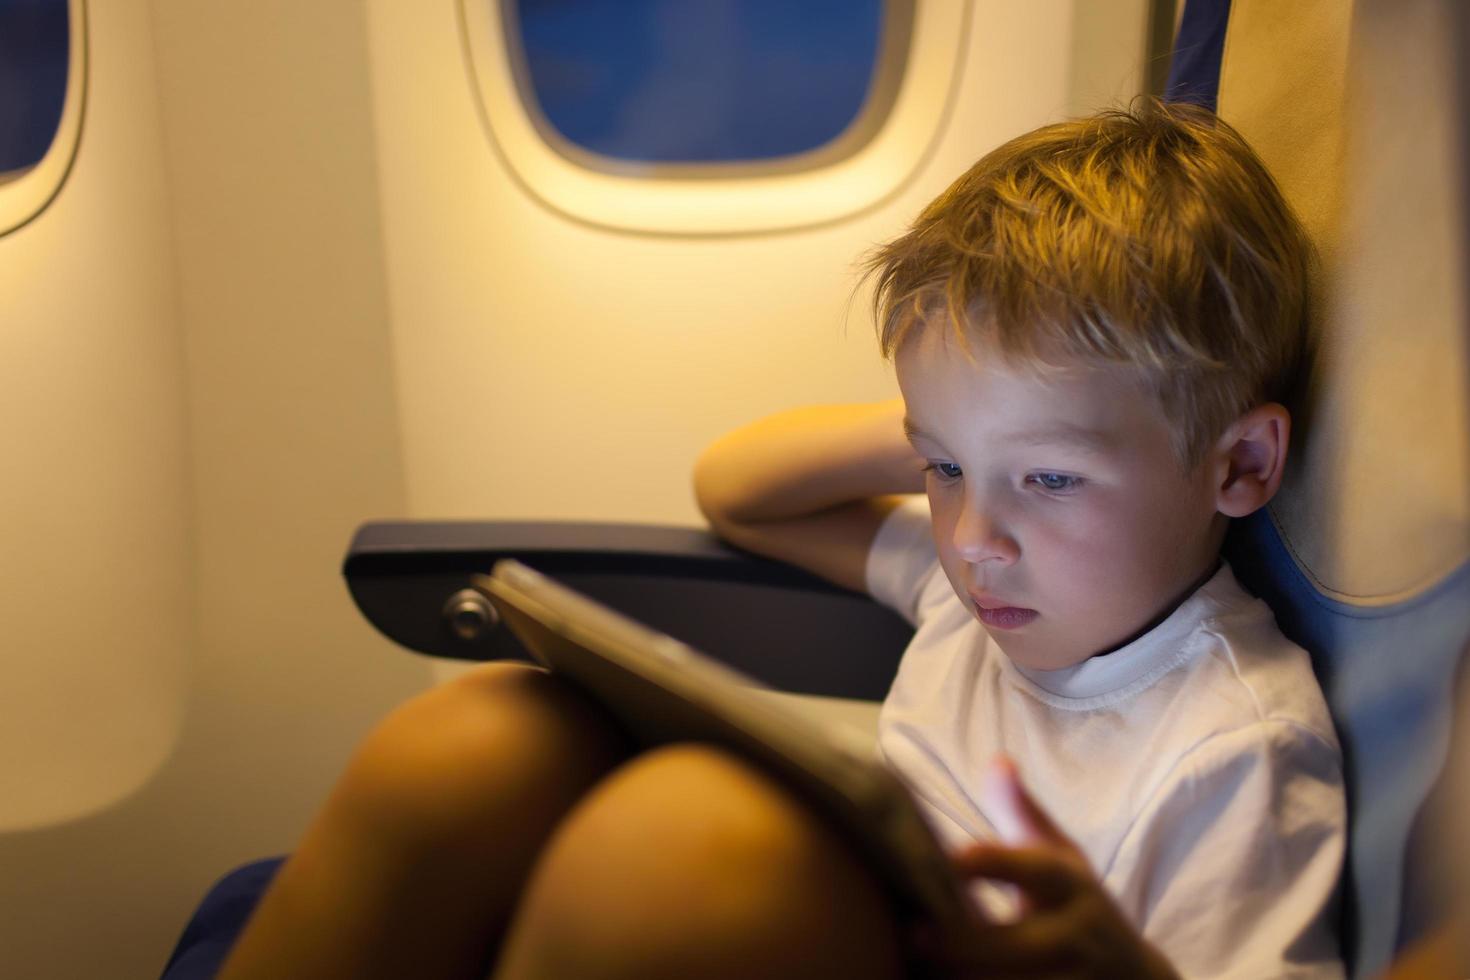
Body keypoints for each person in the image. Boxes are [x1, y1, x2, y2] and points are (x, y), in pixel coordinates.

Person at [218, 99, 1343, 980]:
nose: (975, 535)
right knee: (481, 739)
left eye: (1049, 477)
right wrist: (976, 429)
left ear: (1239, 465)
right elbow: (740, 489)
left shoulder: (1234, 744)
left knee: (683, 841)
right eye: (939, 469)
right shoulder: (982, 595)